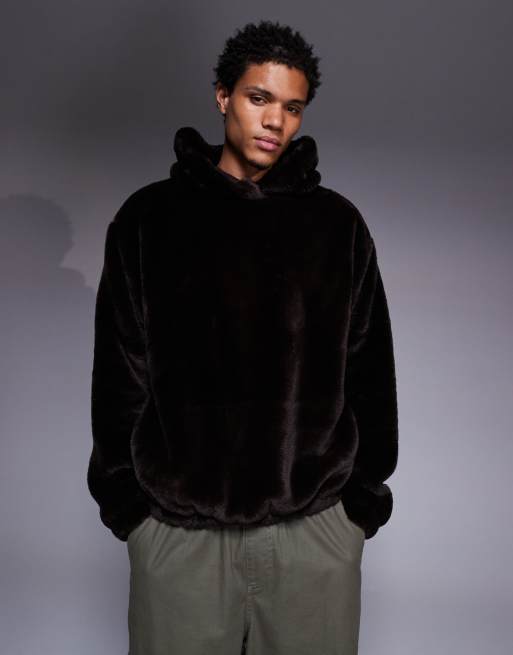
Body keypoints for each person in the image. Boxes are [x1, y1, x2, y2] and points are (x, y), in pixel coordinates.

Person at [87, 19, 399, 655]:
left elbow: (370, 372)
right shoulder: (150, 220)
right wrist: (129, 510)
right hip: (181, 536)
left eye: (293, 107)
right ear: (223, 95)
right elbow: (120, 374)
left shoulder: (336, 226)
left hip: (312, 533)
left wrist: (359, 508)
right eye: (260, 98)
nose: (275, 121)